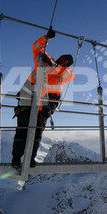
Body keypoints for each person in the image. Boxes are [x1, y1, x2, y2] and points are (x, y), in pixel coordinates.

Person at [11, 27, 75, 168]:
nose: (63, 59)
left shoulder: (63, 74)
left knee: (36, 135)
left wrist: (55, 66)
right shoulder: (44, 61)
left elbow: (70, 74)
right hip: (27, 100)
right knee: (22, 131)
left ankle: (30, 159)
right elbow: (36, 48)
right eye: (63, 57)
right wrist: (46, 38)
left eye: (66, 60)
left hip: (44, 107)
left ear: (66, 65)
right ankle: (16, 159)